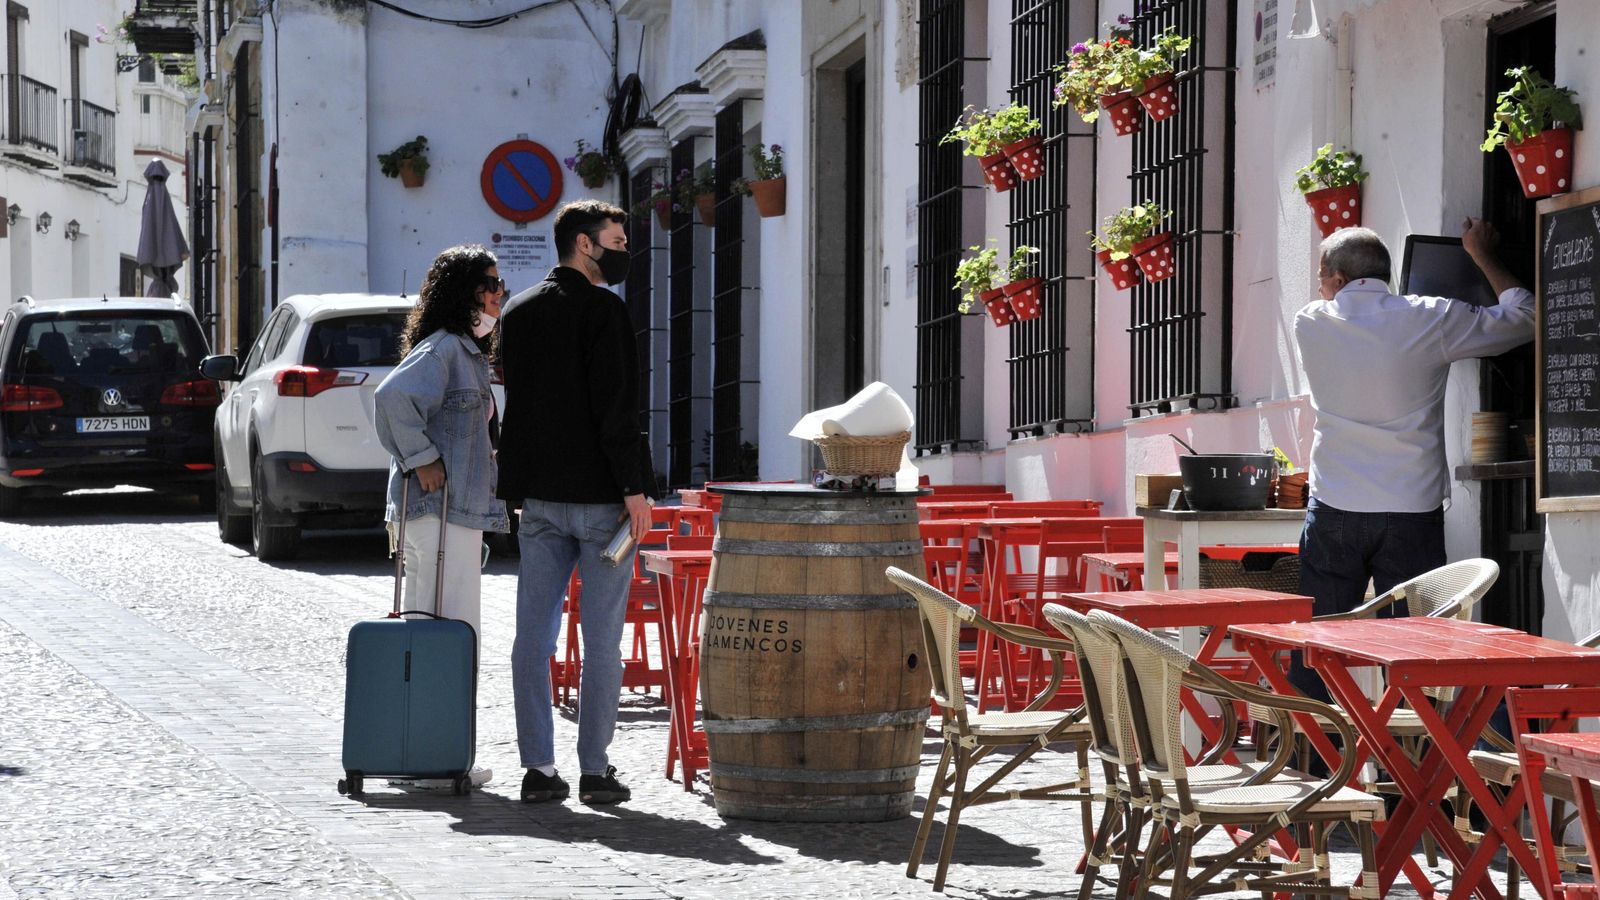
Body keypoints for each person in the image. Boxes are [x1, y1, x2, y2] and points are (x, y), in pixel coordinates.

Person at [1290, 219, 1534, 698]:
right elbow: (1525, 316)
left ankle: (1316, 762)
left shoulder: (1310, 322)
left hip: (1336, 503)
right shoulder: (1432, 317)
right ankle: (1415, 759)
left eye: (1321, 277)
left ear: (1337, 279)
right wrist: (1481, 253)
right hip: (1411, 508)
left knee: (1317, 643)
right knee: (1415, 649)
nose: (1319, 288)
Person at [498, 200, 654, 805]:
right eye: (616, 240)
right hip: (600, 503)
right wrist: (635, 489)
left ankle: (538, 768)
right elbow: (617, 409)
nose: (622, 251)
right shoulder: (604, 311)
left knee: (531, 640)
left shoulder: (517, 310)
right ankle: (595, 769)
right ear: (586, 245)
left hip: (537, 499)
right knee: (602, 642)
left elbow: (521, 408)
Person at [373, 243, 510, 787]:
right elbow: (391, 398)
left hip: (453, 513)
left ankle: (436, 753)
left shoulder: (464, 351)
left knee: (446, 631)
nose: (500, 295)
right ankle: (432, 759)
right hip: (438, 514)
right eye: (492, 285)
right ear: (467, 292)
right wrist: (423, 459)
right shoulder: (447, 349)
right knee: (442, 632)